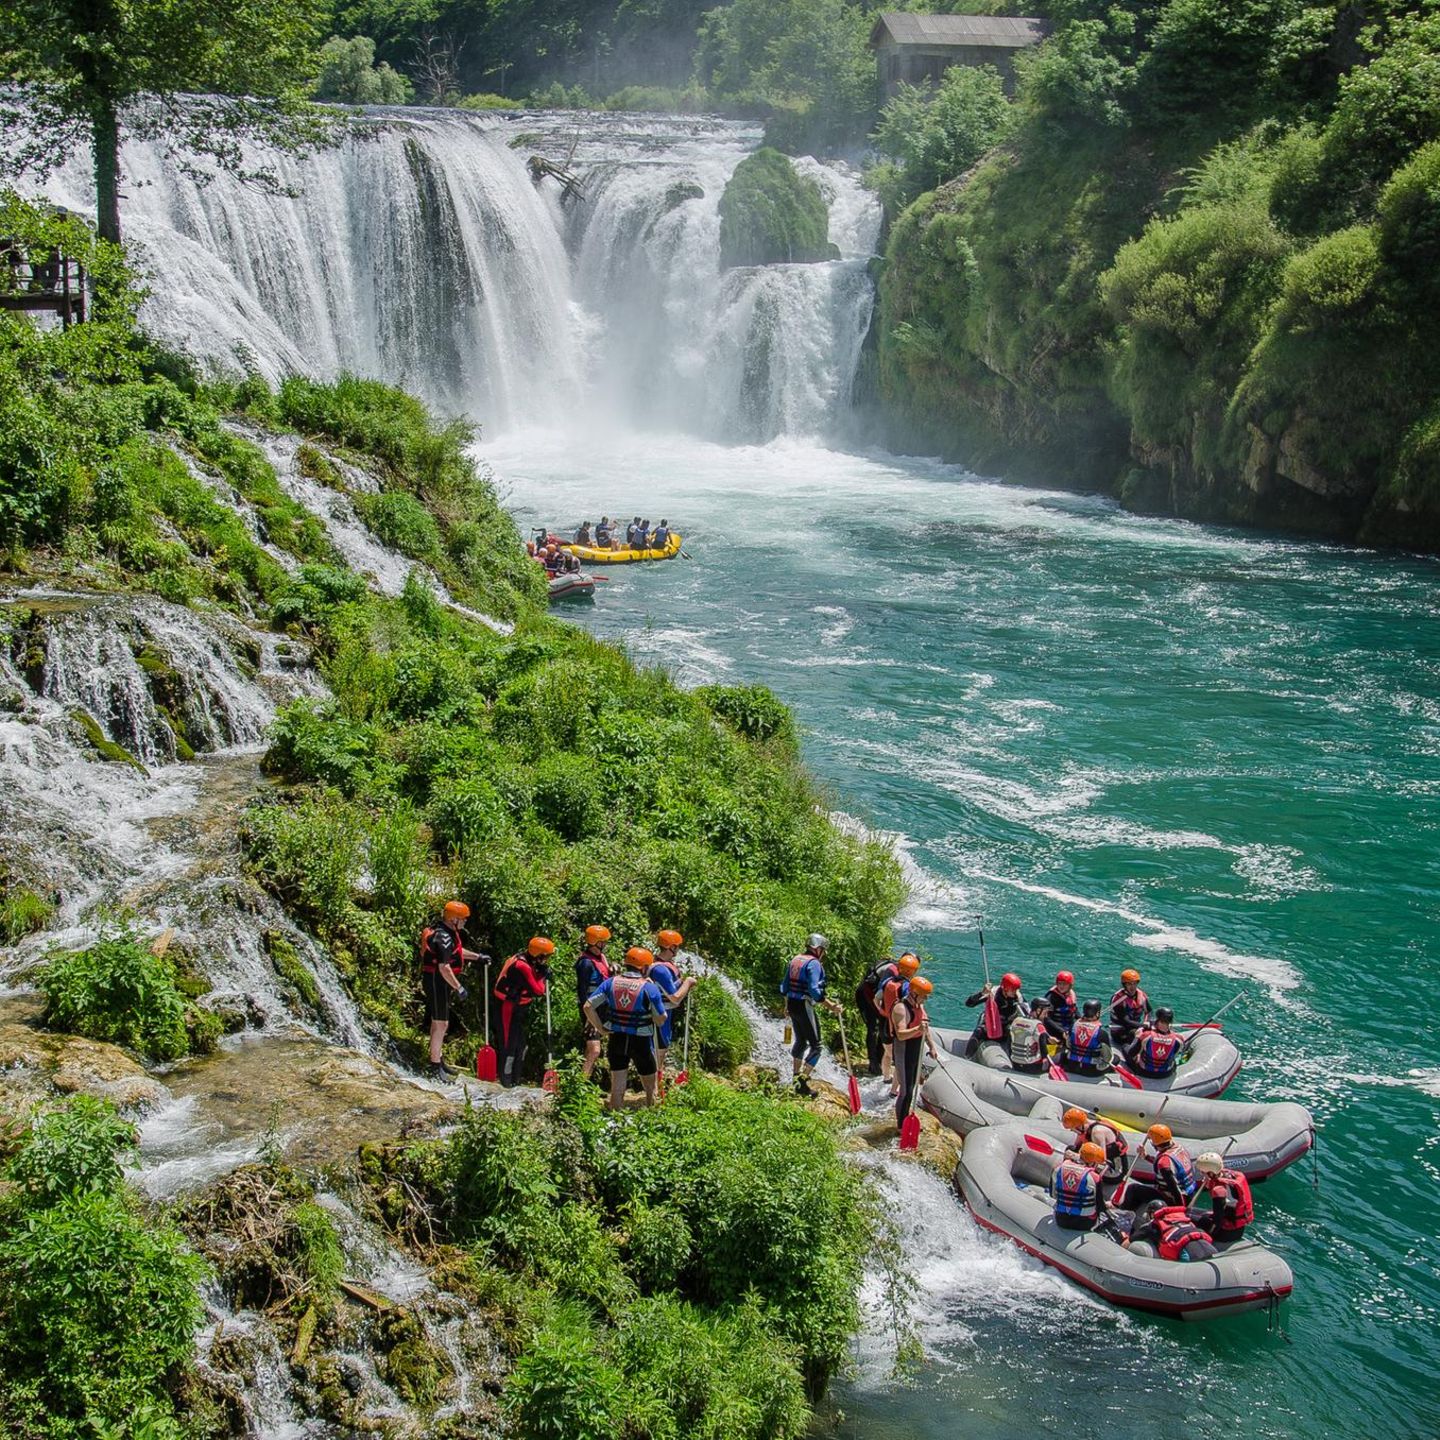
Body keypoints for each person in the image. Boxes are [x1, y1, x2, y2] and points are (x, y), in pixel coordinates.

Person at [584, 946, 670, 1109]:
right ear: (644, 967)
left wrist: (601, 1028)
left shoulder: (610, 982)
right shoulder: (649, 988)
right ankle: (653, 1118)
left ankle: (614, 1120)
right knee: (651, 1088)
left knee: (617, 1089)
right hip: (641, 1042)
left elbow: (588, 1006)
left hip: (616, 1039)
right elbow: (661, 1019)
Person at [419, 900, 484, 1080]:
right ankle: (434, 1066)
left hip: (438, 981)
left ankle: (437, 1059)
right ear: (453, 919)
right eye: (462, 919)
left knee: (437, 1022)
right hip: (437, 981)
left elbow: (458, 952)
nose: (465, 922)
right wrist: (459, 987)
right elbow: (444, 967)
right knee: (441, 1023)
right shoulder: (444, 937)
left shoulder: (447, 932)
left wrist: (478, 957)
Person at [780, 932, 841, 1095]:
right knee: (816, 1046)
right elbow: (814, 991)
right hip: (804, 1005)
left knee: (800, 1041)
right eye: (823, 950)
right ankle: (801, 1083)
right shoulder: (813, 964)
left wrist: (786, 1006)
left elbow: (785, 986)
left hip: (792, 1004)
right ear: (817, 949)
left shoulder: (795, 960)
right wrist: (832, 1006)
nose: (824, 954)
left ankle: (795, 1078)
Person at [493, 937, 552, 1087]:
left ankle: (515, 1079)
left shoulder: (527, 960)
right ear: (538, 955)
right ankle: (506, 1082)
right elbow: (538, 990)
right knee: (509, 1045)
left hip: (518, 1009)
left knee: (521, 1045)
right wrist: (544, 976)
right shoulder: (521, 965)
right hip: (507, 1007)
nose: (547, 960)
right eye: (546, 957)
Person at [1050, 1142, 1126, 1242]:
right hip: (1084, 1223)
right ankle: (1118, 1239)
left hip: (1061, 1219)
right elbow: (1100, 1207)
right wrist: (1108, 1206)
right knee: (1107, 1218)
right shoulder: (1095, 1177)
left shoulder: (1058, 1168)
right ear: (1092, 1162)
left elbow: (1052, 1194)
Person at [648, 929, 697, 1081]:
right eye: (677, 946)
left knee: (660, 1053)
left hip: (665, 1013)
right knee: (659, 1053)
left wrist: (681, 982)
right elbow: (675, 998)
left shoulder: (662, 964)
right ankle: (654, 1092)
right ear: (672, 947)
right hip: (660, 1014)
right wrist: (688, 982)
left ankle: (656, 1088)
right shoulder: (661, 969)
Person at [891, 974, 939, 1126]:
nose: (925, 1000)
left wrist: (932, 1046)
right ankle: (901, 1125)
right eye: (923, 997)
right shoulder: (900, 1008)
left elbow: (925, 1028)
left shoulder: (920, 1006)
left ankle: (905, 1120)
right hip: (903, 1051)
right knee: (906, 1091)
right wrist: (917, 1028)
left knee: (913, 1087)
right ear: (914, 993)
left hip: (915, 1050)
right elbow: (900, 1034)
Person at [1122, 1123, 1200, 1210]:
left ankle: (1125, 1212)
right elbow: (1168, 1164)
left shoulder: (1164, 1164)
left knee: (1133, 1188)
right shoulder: (1179, 1148)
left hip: (1174, 1199)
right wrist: (1145, 1156)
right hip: (1190, 1194)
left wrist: (1180, 1209)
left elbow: (1174, 1189)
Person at [877, 953, 921, 1087]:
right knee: (899, 1060)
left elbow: (876, 999)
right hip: (898, 1026)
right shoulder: (906, 986)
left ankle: (885, 1077)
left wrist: (882, 1012)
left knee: (887, 1053)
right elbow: (912, 1004)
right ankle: (894, 1091)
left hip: (885, 1023)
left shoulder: (887, 982)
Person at [575, 924, 613, 1078]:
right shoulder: (585, 963)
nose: (605, 944)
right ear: (595, 942)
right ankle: (580, 1084)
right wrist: (589, 1018)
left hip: (603, 1008)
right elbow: (582, 991)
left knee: (597, 1049)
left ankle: (588, 1081)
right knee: (594, 1050)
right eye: (602, 941)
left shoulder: (600, 958)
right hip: (590, 1009)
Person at [855, 953, 901, 1077]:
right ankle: (873, 1063)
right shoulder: (892, 971)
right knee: (873, 1028)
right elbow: (881, 992)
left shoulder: (897, 970)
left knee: (882, 1025)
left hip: (874, 996)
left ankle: (879, 1060)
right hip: (866, 995)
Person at [1192, 1152, 1253, 1243]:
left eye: (1203, 1172)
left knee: (1188, 1216)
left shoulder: (1219, 1191)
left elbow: (1218, 1220)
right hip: (1238, 1229)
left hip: (1225, 1233)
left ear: (1211, 1173)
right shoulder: (1231, 1175)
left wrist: (1210, 1235)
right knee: (1193, 1211)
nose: (1201, 1174)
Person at [1129, 1200, 1217, 1262]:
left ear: (1152, 1214)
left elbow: (1131, 1240)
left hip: (1189, 1255)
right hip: (1209, 1247)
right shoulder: (1183, 1216)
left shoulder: (1152, 1225)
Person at [963, 972, 1024, 1057]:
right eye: (1013, 989)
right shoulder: (992, 993)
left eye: (1016, 989)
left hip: (1006, 1028)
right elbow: (969, 1004)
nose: (1015, 992)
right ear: (1005, 988)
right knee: (979, 1031)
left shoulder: (1018, 997)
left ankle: (1013, 1060)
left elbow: (1027, 1012)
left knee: (1013, 1031)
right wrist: (982, 993)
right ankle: (967, 1057)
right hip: (991, 1026)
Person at [1061, 1106, 1129, 1183]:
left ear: (1079, 1126)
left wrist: (1076, 1157)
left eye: (1072, 1129)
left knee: (1076, 1158)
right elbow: (1077, 1147)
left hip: (1114, 1171)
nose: (1072, 1131)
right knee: (1070, 1149)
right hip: (1105, 1161)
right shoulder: (1083, 1129)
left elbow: (1100, 1160)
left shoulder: (1097, 1132)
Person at [1060, 999, 1113, 1075]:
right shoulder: (1102, 1033)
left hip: (1072, 1067)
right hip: (1091, 1071)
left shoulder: (1073, 1027)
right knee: (1116, 1059)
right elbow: (1108, 1057)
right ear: (1097, 1014)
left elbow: (1068, 1045)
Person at [1128, 1006, 1183, 1078]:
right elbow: (1175, 1055)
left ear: (1157, 1020)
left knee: (1125, 1047)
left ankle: (1132, 1071)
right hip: (1166, 1073)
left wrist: (1137, 1037)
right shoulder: (1179, 1038)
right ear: (1170, 1021)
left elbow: (1131, 1053)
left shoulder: (1146, 1035)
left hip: (1144, 1072)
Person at [1009, 994, 1053, 1074]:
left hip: (1015, 1064)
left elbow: (1009, 1044)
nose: (1046, 1016)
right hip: (1031, 1067)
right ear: (1038, 1010)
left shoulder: (1015, 1021)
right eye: (1045, 1012)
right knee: (1058, 1056)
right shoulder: (1039, 1026)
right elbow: (1044, 1052)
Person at [1110, 968, 1152, 1050]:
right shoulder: (1118, 999)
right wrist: (1143, 1026)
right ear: (1124, 985)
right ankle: (1130, 1053)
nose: (1132, 987)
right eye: (1129, 984)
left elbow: (1149, 1012)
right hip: (1120, 1032)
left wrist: (1148, 1022)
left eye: (1134, 983)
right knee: (1135, 1033)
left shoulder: (1141, 995)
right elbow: (1126, 1021)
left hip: (1136, 1026)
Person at [1043, 970, 1079, 1042]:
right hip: (1054, 1032)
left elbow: (1075, 1013)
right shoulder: (1051, 997)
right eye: (1059, 984)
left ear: (1070, 985)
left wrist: (1084, 1020)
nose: (1061, 986)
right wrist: (1062, 1031)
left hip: (1068, 1030)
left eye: (1064, 984)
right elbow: (1046, 1019)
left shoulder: (1071, 996)